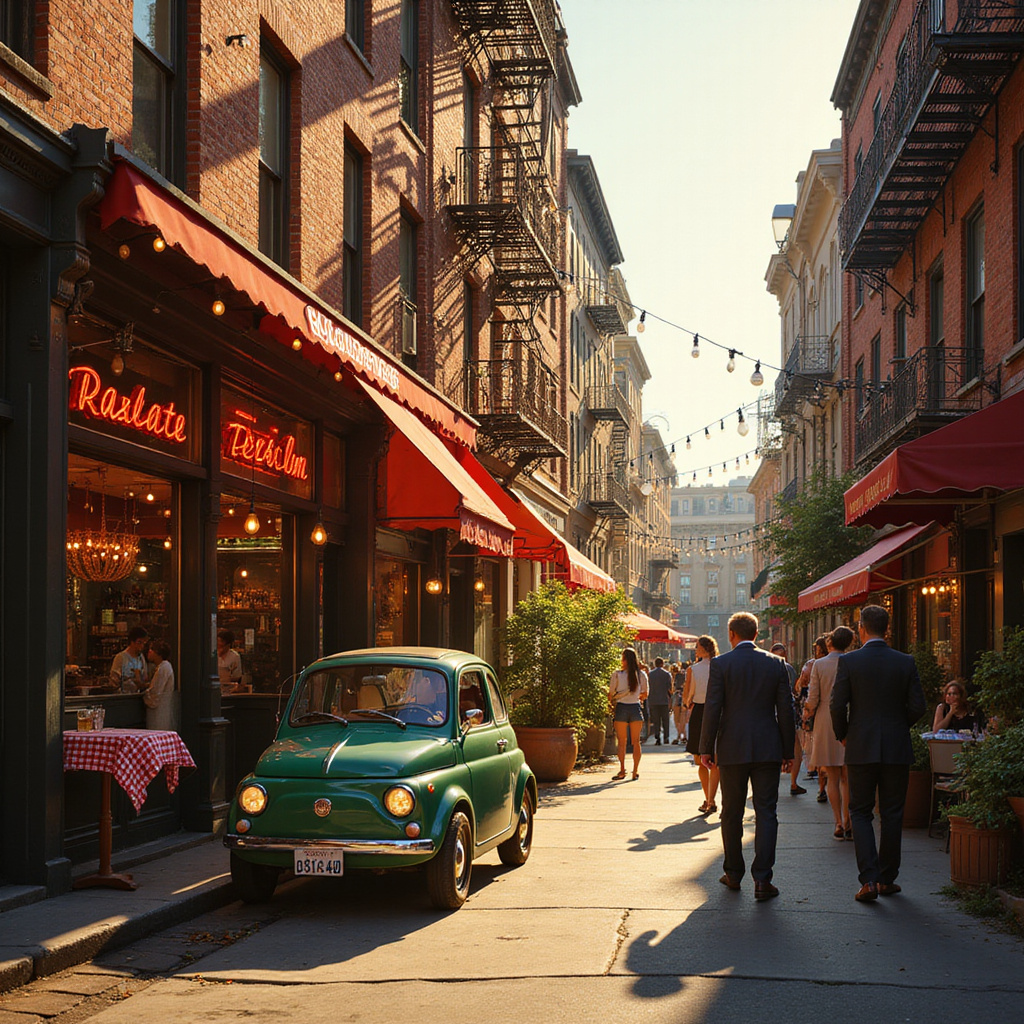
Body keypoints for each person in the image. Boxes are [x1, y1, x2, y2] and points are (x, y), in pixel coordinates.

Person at [830, 604, 926, 903]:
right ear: (887, 628)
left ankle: (868, 879)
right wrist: (899, 725)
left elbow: (836, 704)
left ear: (860, 628)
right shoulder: (905, 661)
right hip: (896, 746)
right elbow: (919, 706)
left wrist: (844, 734)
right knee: (892, 812)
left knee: (859, 811)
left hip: (860, 744)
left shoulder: (850, 662)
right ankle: (887, 878)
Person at [699, 612, 794, 901]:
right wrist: (788, 750)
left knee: (731, 812)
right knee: (767, 812)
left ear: (731, 634)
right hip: (767, 746)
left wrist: (706, 747)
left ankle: (733, 873)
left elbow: (713, 707)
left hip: (732, 746)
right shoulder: (776, 664)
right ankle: (763, 879)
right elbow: (786, 710)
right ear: (756, 634)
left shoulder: (721, 664)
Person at [805, 627, 855, 841]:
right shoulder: (854, 661)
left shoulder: (819, 664)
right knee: (848, 776)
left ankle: (837, 822)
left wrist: (807, 711)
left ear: (830, 643)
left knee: (832, 775)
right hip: (851, 717)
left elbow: (813, 696)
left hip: (826, 719)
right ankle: (848, 820)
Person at [686, 637, 720, 814]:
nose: (695, 649)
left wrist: (688, 703)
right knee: (715, 759)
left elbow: (688, 697)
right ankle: (712, 799)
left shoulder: (693, 670)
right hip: (718, 712)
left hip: (700, 712)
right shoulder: (721, 666)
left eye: (697, 647)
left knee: (700, 760)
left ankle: (708, 799)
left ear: (704, 649)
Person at [797, 636, 830, 801]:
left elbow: (803, 687)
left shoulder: (814, 665)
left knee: (819, 747)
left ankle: (822, 787)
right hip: (836, 712)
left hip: (819, 712)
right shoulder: (845, 661)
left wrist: (807, 712)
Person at [771, 642, 806, 796]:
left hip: (771, 713)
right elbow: (793, 692)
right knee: (795, 746)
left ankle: (772, 784)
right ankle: (793, 783)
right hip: (788, 712)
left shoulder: (767, 668)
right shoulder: (790, 669)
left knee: (772, 747)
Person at [609, 647, 648, 781]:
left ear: (624, 659)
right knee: (636, 742)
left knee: (621, 742)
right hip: (635, 708)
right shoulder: (641, 675)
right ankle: (635, 771)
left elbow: (611, 693)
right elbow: (645, 694)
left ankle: (622, 770)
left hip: (621, 708)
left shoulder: (617, 674)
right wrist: (636, 696)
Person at [143, 639, 178, 731]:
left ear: (157, 653)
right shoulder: (163, 667)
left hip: (159, 714)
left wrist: (145, 694)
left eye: (151, 650)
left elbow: (155, 693)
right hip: (162, 712)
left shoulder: (163, 668)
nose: (148, 652)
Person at [109, 626, 149, 693]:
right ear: (132, 642)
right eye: (139, 642)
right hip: (123, 697)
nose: (141, 646)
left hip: (138, 696)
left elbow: (145, 677)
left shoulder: (141, 658)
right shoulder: (120, 657)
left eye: (143, 643)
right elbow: (114, 682)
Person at [646, 657, 673, 745]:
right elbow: (670, 689)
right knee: (665, 720)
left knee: (656, 720)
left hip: (653, 700)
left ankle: (657, 737)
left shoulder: (650, 674)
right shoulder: (667, 674)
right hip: (664, 700)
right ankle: (666, 737)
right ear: (662, 664)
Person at [217, 630, 243, 694]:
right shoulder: (212, 655)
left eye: (221, 641)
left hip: (229, 691)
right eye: (218, 641)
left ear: (228, 644)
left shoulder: (235, 656)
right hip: (214, 690)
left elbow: (237, 677)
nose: (219, 643)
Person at [671, 662, 687, 744]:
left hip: (677, 696)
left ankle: (679, 735)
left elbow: (673, 687)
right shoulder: (687, 674)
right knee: (682, 718)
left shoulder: (677, 676)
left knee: (676, 718)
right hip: (684, 697)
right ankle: (683, 735)